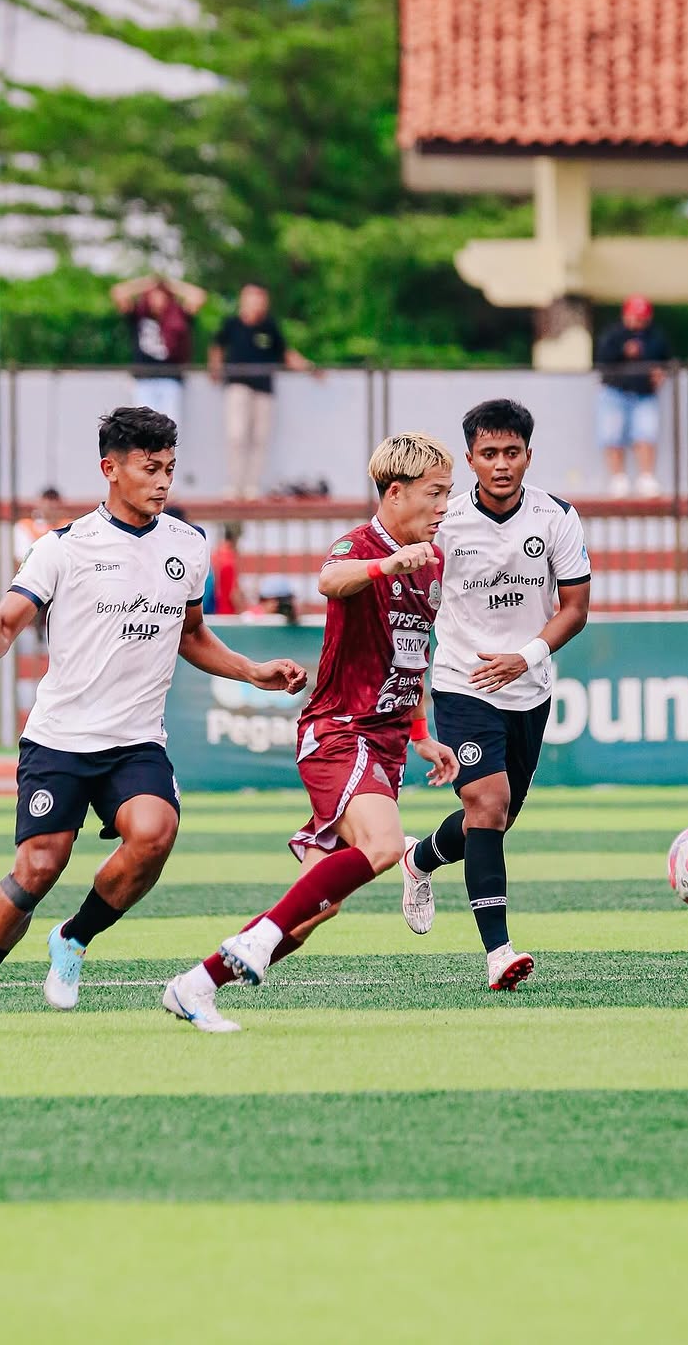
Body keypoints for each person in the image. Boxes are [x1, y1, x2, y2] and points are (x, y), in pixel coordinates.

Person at [0, 405, 306, 1037]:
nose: (163, 482)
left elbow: (191, 635)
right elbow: (6, 620)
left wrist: (250, 671)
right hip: (59, 739)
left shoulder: (187, 546)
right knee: (38, 866)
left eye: (170, 469)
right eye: (149, 468)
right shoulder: (64, 547)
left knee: (155, 832)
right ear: (111, 469)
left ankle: (74, 937)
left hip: (135, 742)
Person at [164, 431, 459, 1033]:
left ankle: (196, 985)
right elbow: (330, 581)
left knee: (309, 914)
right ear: (396, 493)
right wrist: (384, 563)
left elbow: (411, 654)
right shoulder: (360, 545)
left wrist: (421, 731)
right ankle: (253, 944)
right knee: (383, 847)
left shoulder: (435, 561)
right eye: (436, 493)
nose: (444, 506)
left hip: (386, 743)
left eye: (448, 494)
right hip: (339, 731)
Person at [399, 399, 591, 989]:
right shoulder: (444, 523)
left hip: (528, 686)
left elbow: (575, 609)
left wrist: (525, 657)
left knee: (496, 818)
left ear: (529, 455)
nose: (501, 464)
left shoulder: (557, 517)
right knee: (486, 804)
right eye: (489, 454)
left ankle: (420, 857)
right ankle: (498, 953)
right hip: (462, 682)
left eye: (512, 453)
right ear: (470, 459)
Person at [209, 283, 318, 499]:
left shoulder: (269, 327)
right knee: (237, 435)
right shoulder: (232, 324)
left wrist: (309, 368)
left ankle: (251, 486)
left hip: (264, 389)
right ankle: (234, 485)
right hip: (238, 385)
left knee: (260, 438)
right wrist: (215, 367)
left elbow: (285, 353)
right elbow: (217, 346)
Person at [595, 295, 671, 498]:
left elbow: (665, 361)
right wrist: (623, 351)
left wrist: (661, 373)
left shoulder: (655, 337)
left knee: (646, 434)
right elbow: (601, 359)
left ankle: (646, 478)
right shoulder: (613, 336)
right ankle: (618, 479)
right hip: (614, 392)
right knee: (612, 436)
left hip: (644, 394)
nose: (638, 321)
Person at [111, 275, 207, 424]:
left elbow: (199, 296)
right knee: (142, 426)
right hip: (144, 379)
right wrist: (146, 283)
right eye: (153, 296)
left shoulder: (178, 315)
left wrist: (170, 285)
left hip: (170, 378)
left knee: (169, 424)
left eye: (161, 296)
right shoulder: (138, 315)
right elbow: (118, 292)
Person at [13, 487, 67, 566]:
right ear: (40, 502)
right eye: (48, 500)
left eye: (55, 500)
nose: (52, 504)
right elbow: (21, 558)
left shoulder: (69, 525)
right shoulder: (25, 526)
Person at [211, 521, 245, 614]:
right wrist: (244, 612)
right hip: (228, 612)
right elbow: (233, 593)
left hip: (214, 610)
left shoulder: (216, 554)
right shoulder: (229, 559)